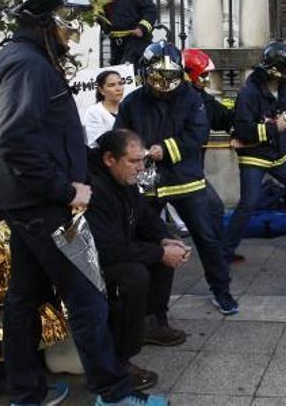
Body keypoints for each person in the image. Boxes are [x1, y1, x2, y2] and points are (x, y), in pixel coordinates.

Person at [0, 0, 166, 405]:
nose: (73, 27)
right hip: (45, 205)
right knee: (87, 298)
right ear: (43, 17)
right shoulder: (28, 64)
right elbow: (16, 141)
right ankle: (114, 393)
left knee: (24, 300)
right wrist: (67, 191)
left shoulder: (21, 59)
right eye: (67, 16)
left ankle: (26, 393)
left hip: (27, 203)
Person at [115, 41, 238, 316]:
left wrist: (166, 149)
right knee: (142, 240)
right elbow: (120, 135)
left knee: (206, 238)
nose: (163, 83)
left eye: (169, 76)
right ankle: (143, 302)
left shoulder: (192, 98)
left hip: (186, 180)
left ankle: (222, 291)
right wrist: (132, 151)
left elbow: (197, 135)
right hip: (147, 183)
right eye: (157, 76)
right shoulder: (132, 101)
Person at [87, 130, 191, 391]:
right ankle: (119, 362)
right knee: (134, 275)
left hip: (115, 251)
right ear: (110, 159)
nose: (141, 167)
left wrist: (165, 240)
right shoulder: (94, 188)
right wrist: (158, 251)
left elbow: (144, 216)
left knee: (161, 254)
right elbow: (106, 248)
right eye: (133, 161)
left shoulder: (125, 181)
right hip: (89, 266)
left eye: (142, 160)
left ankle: (152, 323)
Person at [226, 41, 286, 255]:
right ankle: (225, 251)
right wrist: (272, 128)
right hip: (254, 156)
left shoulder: (283, 89)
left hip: (278, 155)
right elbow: (242, 130)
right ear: (276, 69)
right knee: (248, 204)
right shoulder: (249, 93)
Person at [182, 48, 234, 254]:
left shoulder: (201, 97)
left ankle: (218, 252)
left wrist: (246, 115)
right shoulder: (182, 100)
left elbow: (221, 116)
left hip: (192, 167)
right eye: (203, 74)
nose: (206, 79)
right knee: (212, 208)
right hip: (177, 169)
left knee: (212, 208)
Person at [82, 69, 126, 146]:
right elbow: (102, 141)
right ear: (101, 90)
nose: (118, 88)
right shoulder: (94, 111)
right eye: (111, 85)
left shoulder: (128, 108)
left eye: (120, 83)